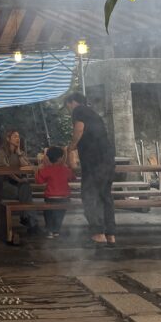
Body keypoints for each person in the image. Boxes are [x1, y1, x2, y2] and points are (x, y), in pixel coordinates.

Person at [64, 92, 116, 246]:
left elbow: (79, 129)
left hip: (94, 162)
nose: (68, 110)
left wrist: (71, 147)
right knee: (105, 196)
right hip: (108, 159)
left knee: (89, 196)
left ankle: (98, 232)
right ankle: (111, 234)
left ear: (72, 102)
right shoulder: (94, 114)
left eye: (67, 106)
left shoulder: (78, 110)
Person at [0, 128, 39, 232]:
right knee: (26, 191)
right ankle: (30, 221)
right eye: (15, 136)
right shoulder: (1, 152)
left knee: (26, 188)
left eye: (18, 136)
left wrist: (19, 153)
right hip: (5, 183)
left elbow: (27, 166)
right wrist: (19, 180)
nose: (18, 139)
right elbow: (6, 170)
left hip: (20, 183)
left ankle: (28, 219)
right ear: (8, 138)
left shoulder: (21, 153)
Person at [35, 146, 75, 238]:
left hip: (50, 197)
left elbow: (39, 181)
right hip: (64, 198)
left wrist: (37, 170)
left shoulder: (47, 169)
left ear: (48, 158)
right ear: (61, 158)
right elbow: (73, 178)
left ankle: (49, 231)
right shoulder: (65, 169)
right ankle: (56, 230)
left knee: (48, 211)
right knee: (60, 212)